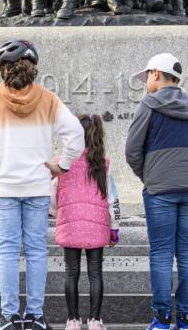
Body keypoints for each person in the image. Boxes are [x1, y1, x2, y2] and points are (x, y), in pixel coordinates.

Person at [0, 39, 85, 330]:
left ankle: (9, 317)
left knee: (8, 251)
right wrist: (61, 166)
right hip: (37, 186)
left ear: (3, 71)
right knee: (37, 250)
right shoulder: (49, 100)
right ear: (32, 69)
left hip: (4, 188)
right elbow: (76, 134)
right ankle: (35, 316)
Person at [125, 52, 188, 330]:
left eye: (147, 77)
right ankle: (187, 319)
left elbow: (132, 150)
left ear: (155, 74)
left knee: (162, 253)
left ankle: (162, 319)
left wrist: (150, 174)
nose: (145, 83)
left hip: (160, 189)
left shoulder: (148, 105)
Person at [52, 114, 121, 330]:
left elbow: (51, 196)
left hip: (70, 225)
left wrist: (58, 213)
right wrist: (114, 228)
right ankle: (95, 320)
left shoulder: (62, 163)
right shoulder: (103, 164)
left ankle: (72, 320)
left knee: (71, 272)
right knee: (95, 273)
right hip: (96, 228)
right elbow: (113, 199)